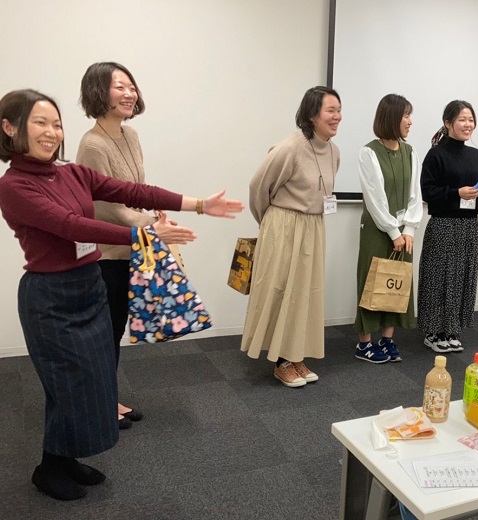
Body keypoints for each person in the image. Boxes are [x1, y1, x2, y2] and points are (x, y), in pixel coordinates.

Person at [0, 89, 243, 501]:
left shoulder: (72, 173)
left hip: (89, 286)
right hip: (51, 298)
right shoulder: (13, 186)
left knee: (92, 381)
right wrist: (144, 235)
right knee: (66, 384)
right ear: (9, 127)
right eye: (40, 122)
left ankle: (65, 457)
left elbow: (134, 192)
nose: (52, 132)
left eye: (56, 123)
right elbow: (71, 225)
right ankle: (49, 467)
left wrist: (200, 204)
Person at [241, 86, 342, 387]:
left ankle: (295, 355)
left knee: (305, 292)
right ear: (312, 115)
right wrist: (270, 224)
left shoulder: (334, 152)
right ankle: (281, 362)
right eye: (330, 110)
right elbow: (258, 187)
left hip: (314, 227)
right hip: (284, 226)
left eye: (339, 110)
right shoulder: (290, 147)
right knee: (282, 290)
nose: (337, 116)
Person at [75, 62, 153, 430]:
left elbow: (135, 190)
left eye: (131, 86)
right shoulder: (92, 144)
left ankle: (106, 397)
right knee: (101, 333)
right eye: (119, 87)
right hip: (104, 252)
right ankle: (96, 404)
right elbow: (106, 206)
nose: (129, 93)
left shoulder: (130, 135)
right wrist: (150, 224)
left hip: (129, 247)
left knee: (115, 328)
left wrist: (153, 213)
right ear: (98, 92)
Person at [417, 100, 478, 352]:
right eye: (462, 119)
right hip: (443, 225)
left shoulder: (476, 155)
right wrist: (456, 193)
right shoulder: (436, 153)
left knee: (462, 277)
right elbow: (427, 192)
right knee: (439, 278)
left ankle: (451, 329)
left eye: (471, 120)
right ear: (448, 123)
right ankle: (433, 332)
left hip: (469, 226)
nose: (468, 124)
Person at [354, 94, 422, 363]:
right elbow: (375, 197)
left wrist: (409, 229)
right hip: (378, 229)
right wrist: (393, 232)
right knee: (372, 282)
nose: (410, 121)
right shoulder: (368, 152)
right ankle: (364, 344)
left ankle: (387, 339)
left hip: (404, 232)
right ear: (391, 117)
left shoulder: (411, 152)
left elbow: (415, 194)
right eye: (406, 115)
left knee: (397, 282)